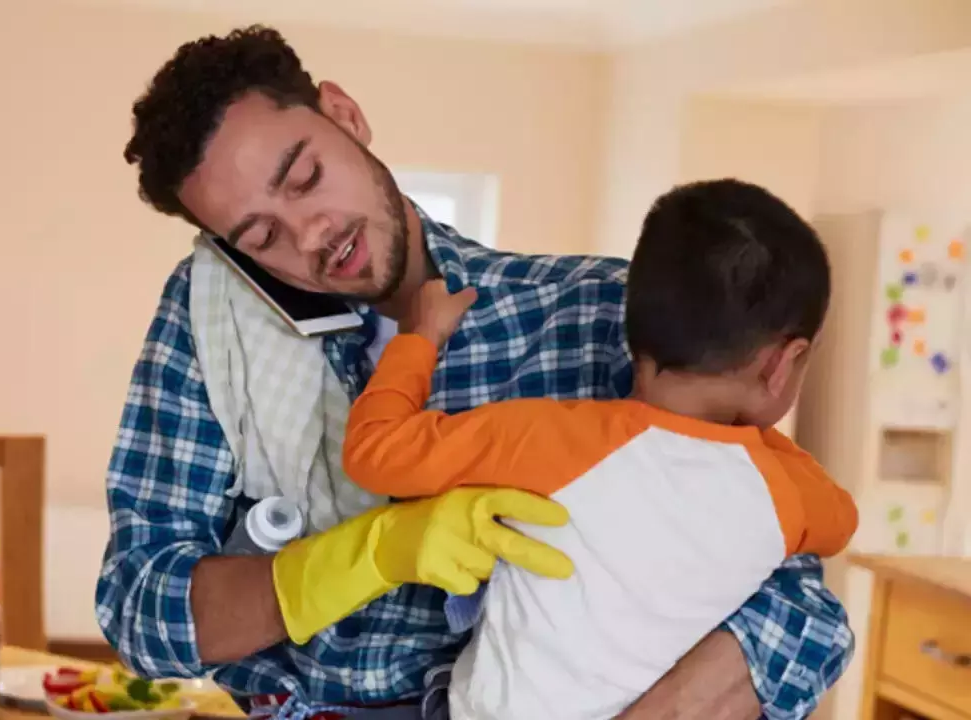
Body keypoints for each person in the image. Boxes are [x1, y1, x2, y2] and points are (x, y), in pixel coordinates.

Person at [95, 24, 855, 720]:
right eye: (262, 235)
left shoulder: (592, 317)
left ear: (345, 115)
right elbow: (141, 610)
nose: (312, 234)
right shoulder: (218, 330)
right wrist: (363, 555)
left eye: (306, 177)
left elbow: (799, 612)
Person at [342, 179, 860, 719]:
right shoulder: (786, 493)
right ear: (782, 364)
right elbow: (841, 521)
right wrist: (746, 435)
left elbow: (375, 452)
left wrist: (419, 337)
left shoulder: (545, 438)